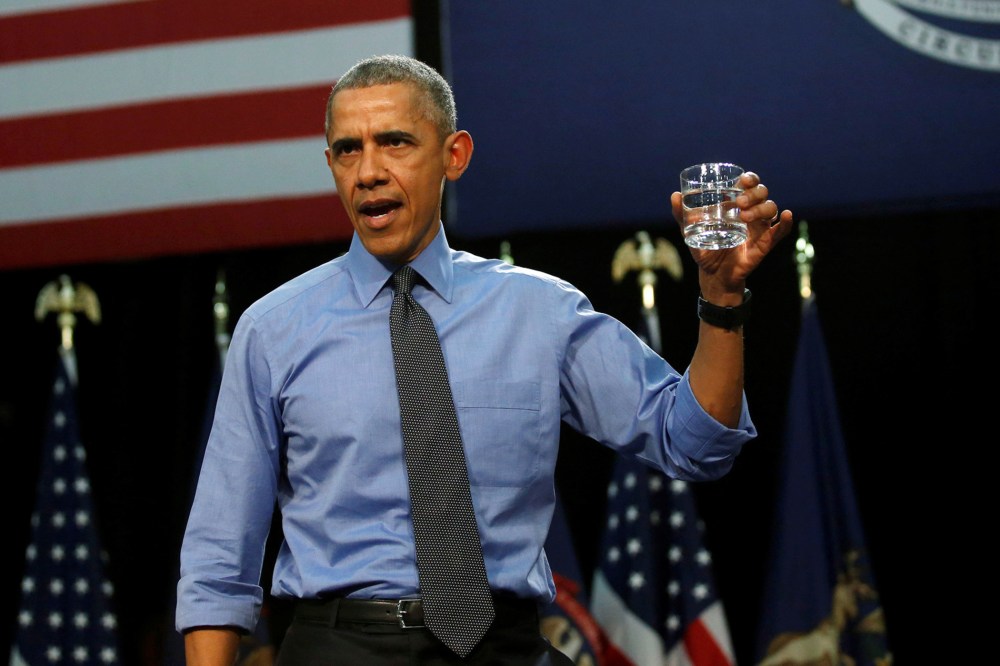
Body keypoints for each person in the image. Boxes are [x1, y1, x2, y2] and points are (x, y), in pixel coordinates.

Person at [176, 53, 793, 665]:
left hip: (504, 645)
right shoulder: (272, 329)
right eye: (347, 149)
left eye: (394, 142)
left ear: (454, 155)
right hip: (339, 646)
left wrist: (721, 298)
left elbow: (694, 440)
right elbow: (219, 558)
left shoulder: (540, 311)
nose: (368, 171)